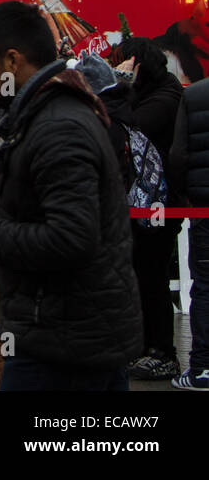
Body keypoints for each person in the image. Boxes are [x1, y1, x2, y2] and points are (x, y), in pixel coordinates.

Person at [0, 1, 142, 391]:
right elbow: (35, 203)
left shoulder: (58, 125)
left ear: (13, 60)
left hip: (70, 339)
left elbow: (72, 236)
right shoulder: (46, 115)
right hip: (61, 328)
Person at [111, 37, 186, 380]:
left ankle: (163, 352)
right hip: (139, 202)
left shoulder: (166, 96)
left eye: (125, 63)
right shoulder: (151, 92)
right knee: (140, 275)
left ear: (138, 64)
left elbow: (130, 126)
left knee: (153, 276)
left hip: (160, 203)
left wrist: (119, 85)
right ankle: (143, 347)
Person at [167, 76, 209, 389]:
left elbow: (178, 155)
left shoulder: (193, 95)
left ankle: (203, 368)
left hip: (204, 207)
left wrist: (186, 196)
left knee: (205, 285)